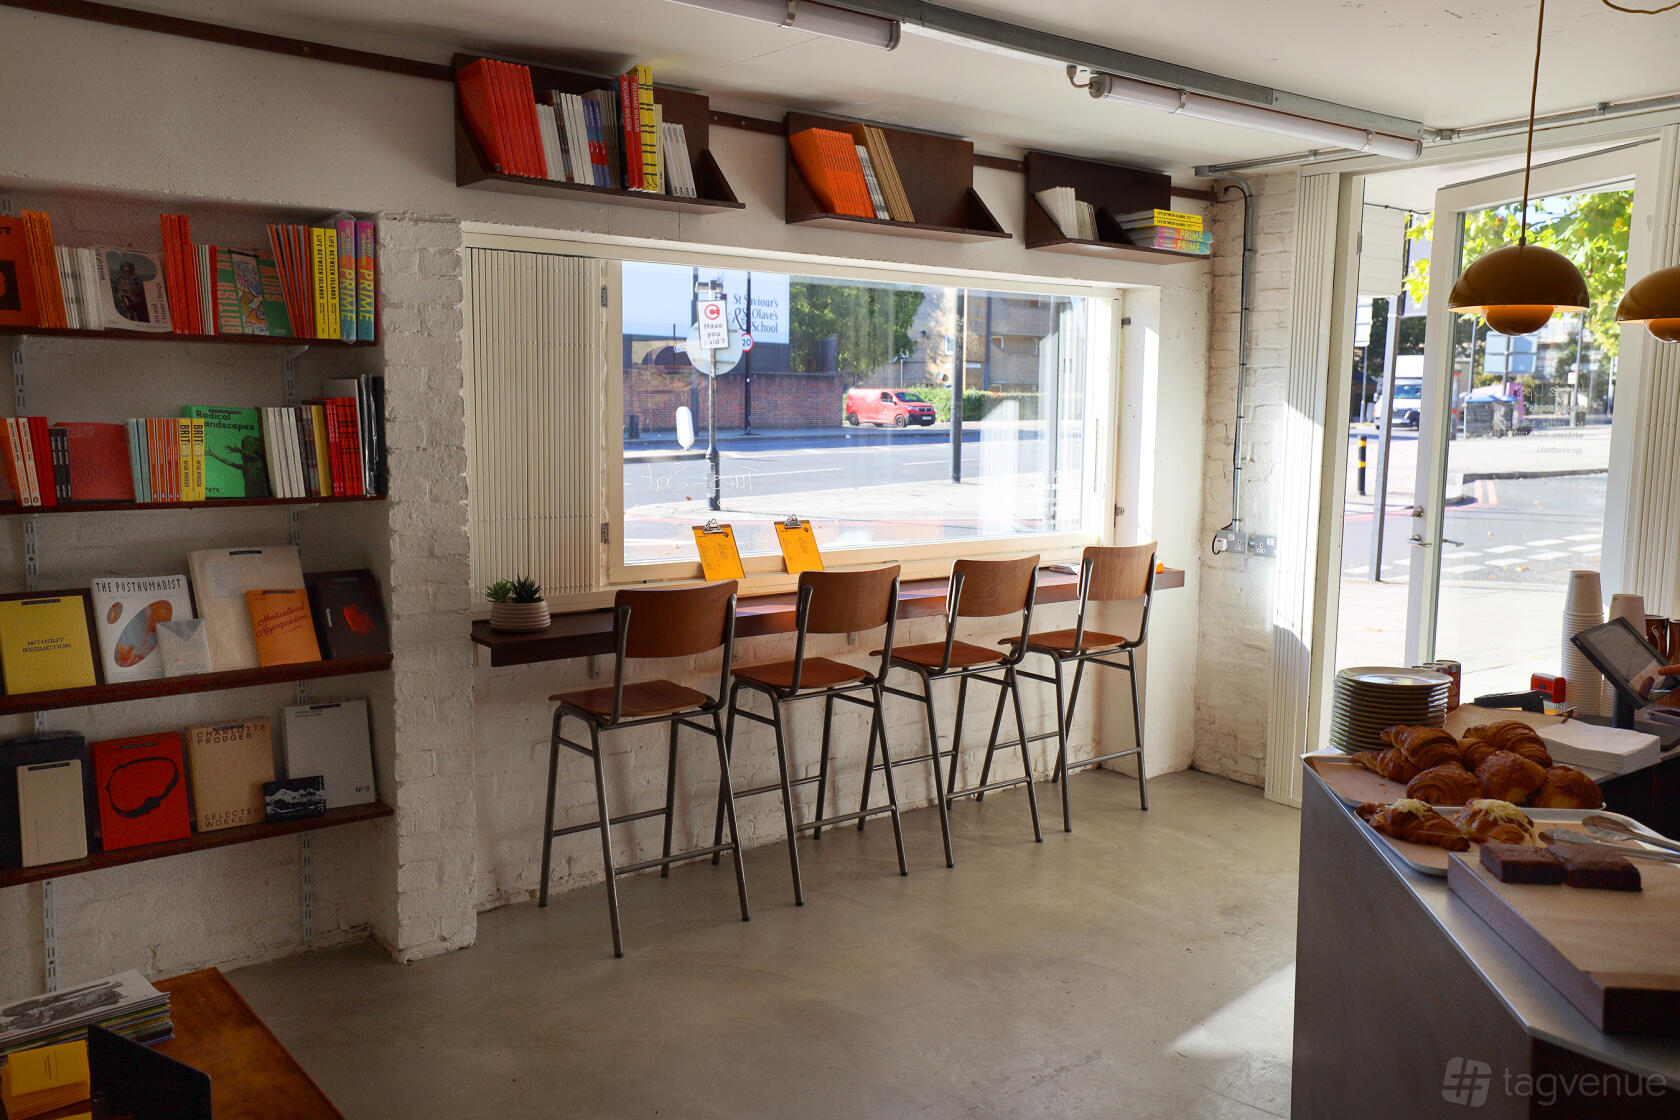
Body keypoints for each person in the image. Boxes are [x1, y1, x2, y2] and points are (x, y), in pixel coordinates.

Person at [205, 434, 271, 498]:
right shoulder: (247, 466)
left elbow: (254, 457)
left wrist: (239, 451)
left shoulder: (260, 462)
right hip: (250, 496)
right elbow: (229, 462)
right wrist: (213, 454)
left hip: (261, 495)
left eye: (253, 444)